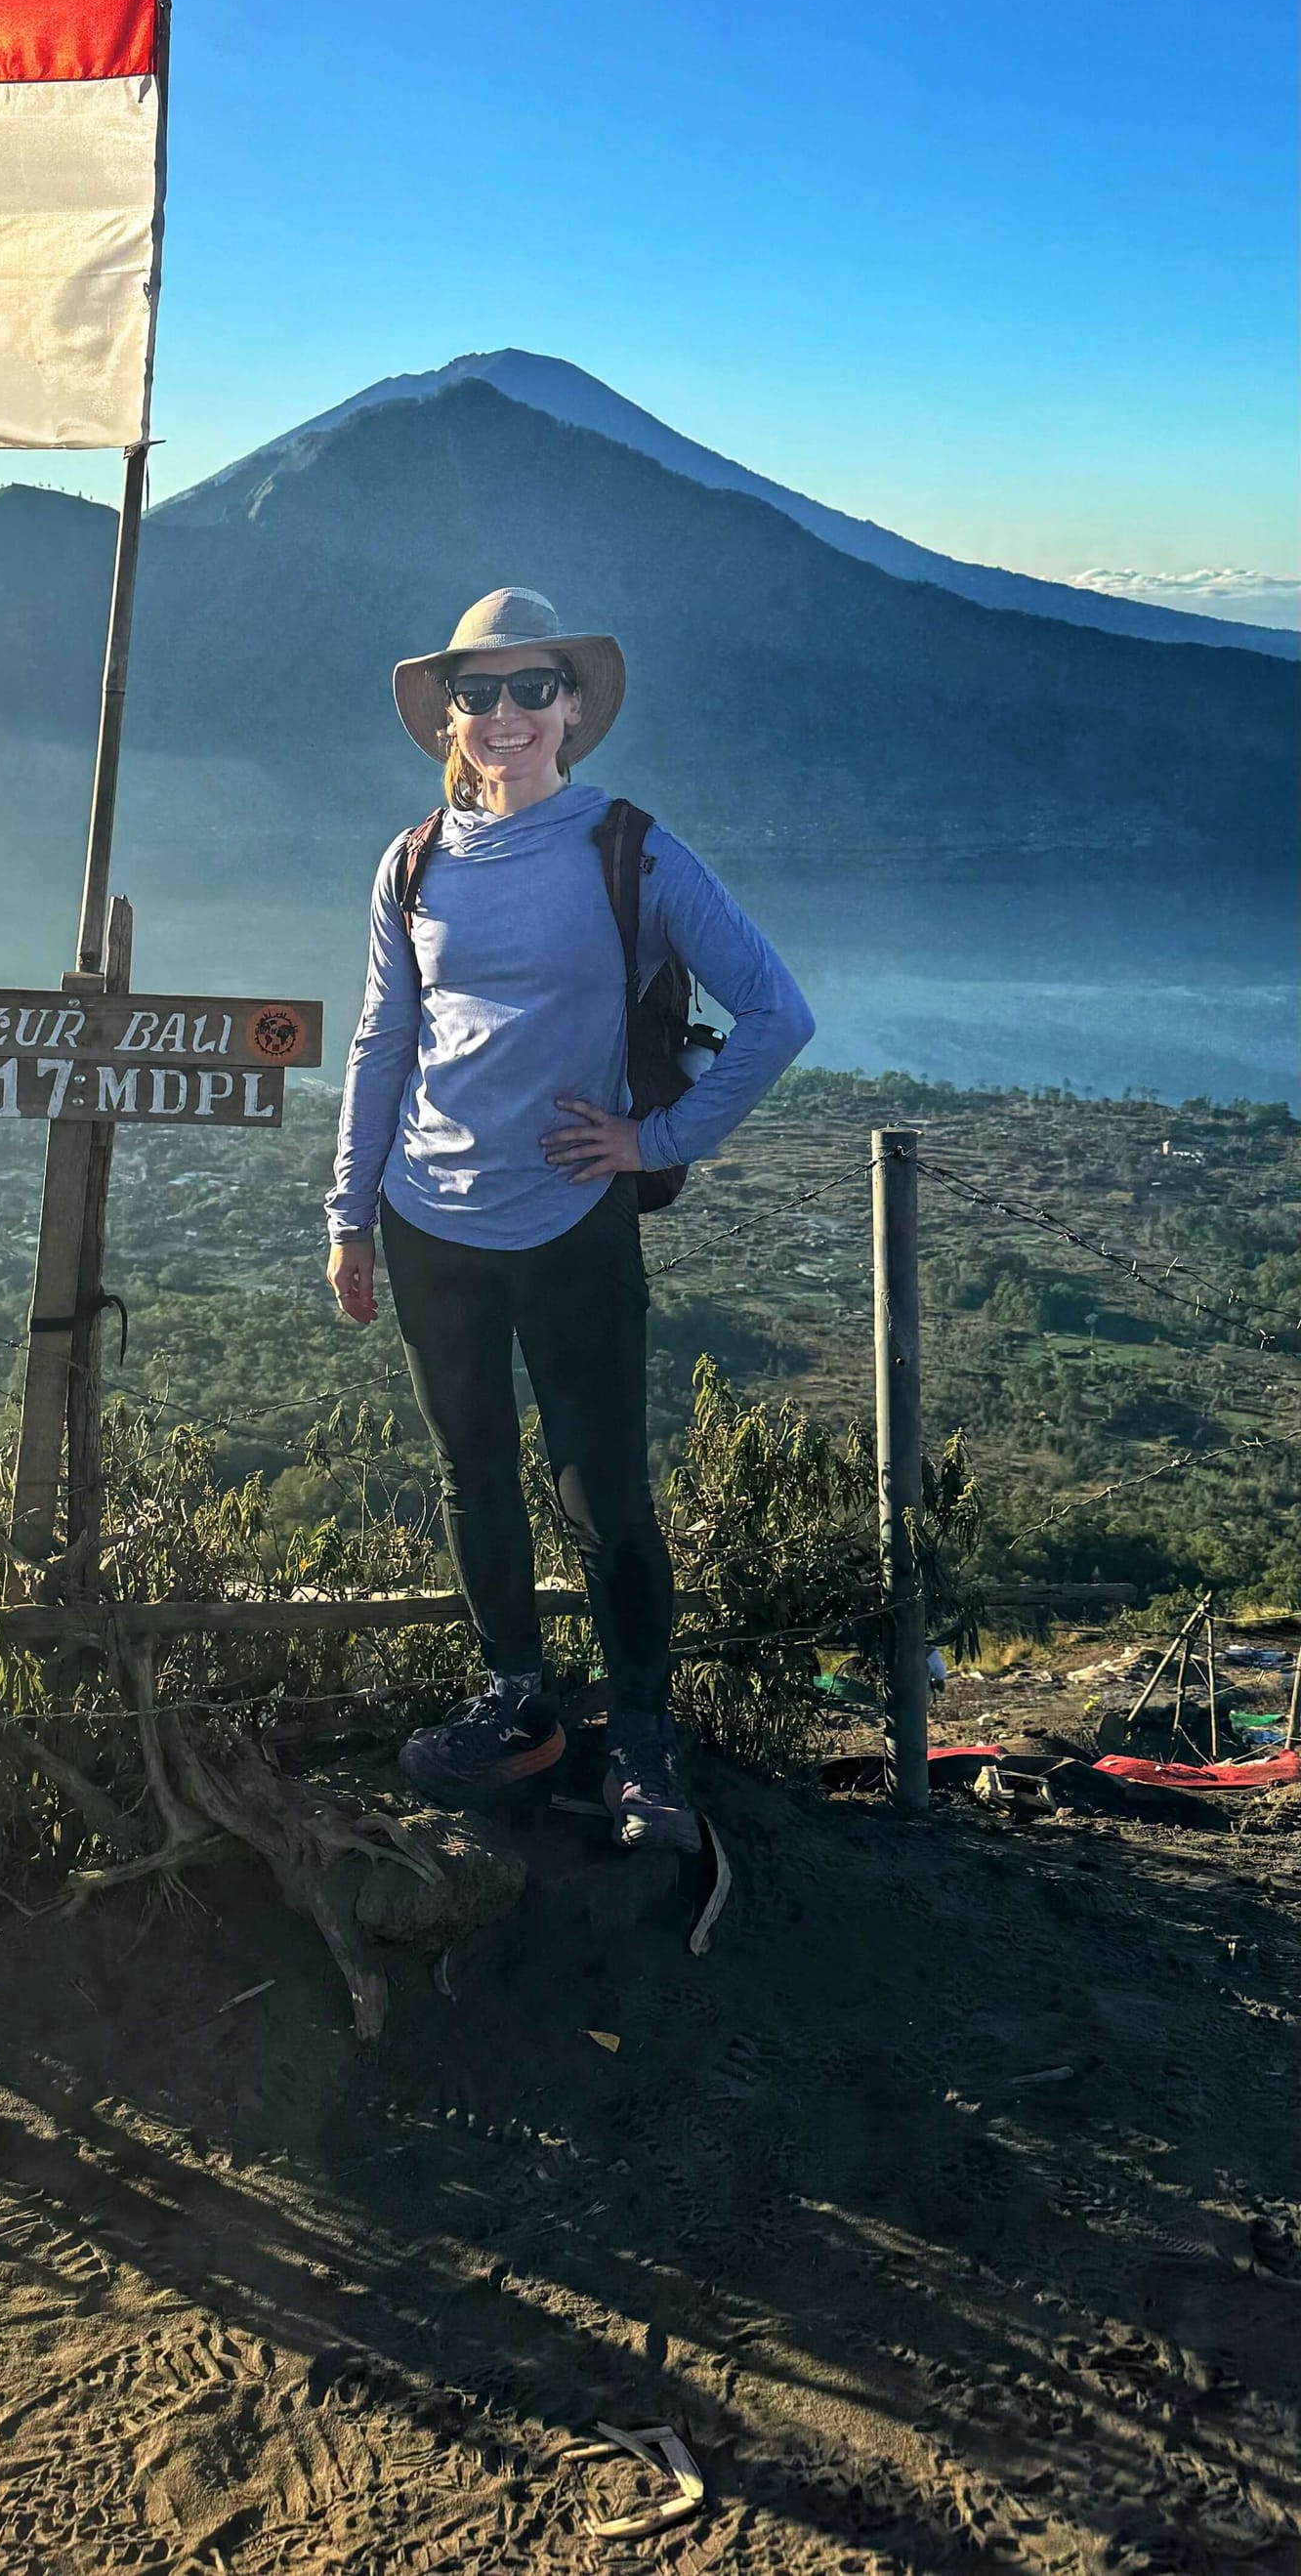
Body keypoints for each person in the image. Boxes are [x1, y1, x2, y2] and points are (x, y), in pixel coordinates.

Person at [326, 587, 815, 1851]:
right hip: (428, 1222)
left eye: (530, 688)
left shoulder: (629, 849)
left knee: (603, 1495)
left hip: (572, 1224)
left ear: (574, 706)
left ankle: (643, 1736)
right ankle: (520, 1703)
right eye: (477, 692)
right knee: (472, 1475)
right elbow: (385, 1041)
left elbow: (776, 1009)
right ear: (449, 713)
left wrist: (657, 1142)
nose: (504, 714)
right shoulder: (413, 859)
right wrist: (351, 1214)